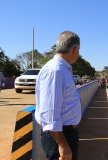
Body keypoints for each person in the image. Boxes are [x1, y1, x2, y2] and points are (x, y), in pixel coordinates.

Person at [35, 31, 81, 160]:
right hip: (59, 136)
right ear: (75, 49)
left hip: (65, 132)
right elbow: (50, 116)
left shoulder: (62, 69)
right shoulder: (55, 71)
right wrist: (62, 144)